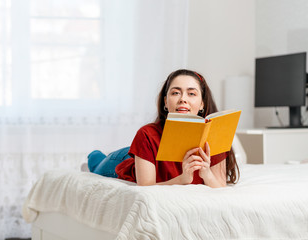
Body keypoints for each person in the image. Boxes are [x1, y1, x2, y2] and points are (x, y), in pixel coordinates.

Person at [88, 69, 239, 187]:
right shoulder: (146, 134)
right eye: (175, 93)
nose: (183, 99)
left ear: (202, 104)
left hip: (146, 157)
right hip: (125, 160)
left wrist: (207, 174)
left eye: (191, 93)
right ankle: (93, 155)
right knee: (96, 163)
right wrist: (182, 179)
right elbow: (146, 187)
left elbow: (220, 186)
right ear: (166, 102)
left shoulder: (215, 134)